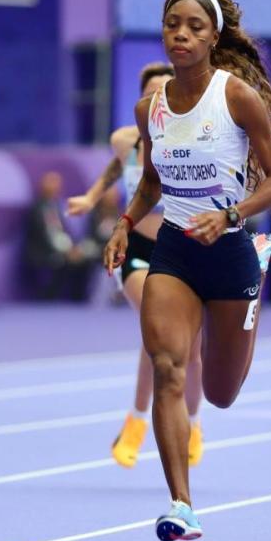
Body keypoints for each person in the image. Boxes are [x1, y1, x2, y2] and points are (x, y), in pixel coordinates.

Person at [103, 0, 271, 541]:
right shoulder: (149, 110)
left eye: (193, 27)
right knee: (167, 367)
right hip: (177, 251)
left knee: (220, 393)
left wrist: (233, 216)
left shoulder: (236, 98)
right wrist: (123, 223)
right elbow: (152, 184)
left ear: (213, 37)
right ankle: (181, 504)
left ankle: (254, 275)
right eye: (171, 25)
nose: (180, 35)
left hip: (230, 250)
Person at [69, 62, 208, 469]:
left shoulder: (194, 139)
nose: (156, 98)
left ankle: (195, 425)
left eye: (164, 90)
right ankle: (137, 421)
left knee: (191, 349)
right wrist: (93, 197)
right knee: (159, 326)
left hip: (185, 251)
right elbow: (118, 165)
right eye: (149, 92)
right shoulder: (125, 139)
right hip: (139, 251)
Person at [24, 171, 96, 301]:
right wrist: (67, 250)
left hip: (61, 249)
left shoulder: (57, 206)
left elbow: (63, 232)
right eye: (51, 184)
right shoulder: (38, 208)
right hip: (43, 251)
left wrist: (74, 248)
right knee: (64, 260)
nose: (55, 188)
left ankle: (79, 299)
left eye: (57, 184)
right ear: (43, 186)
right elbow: (47, 235)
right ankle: (49, 298)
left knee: (83, 260)